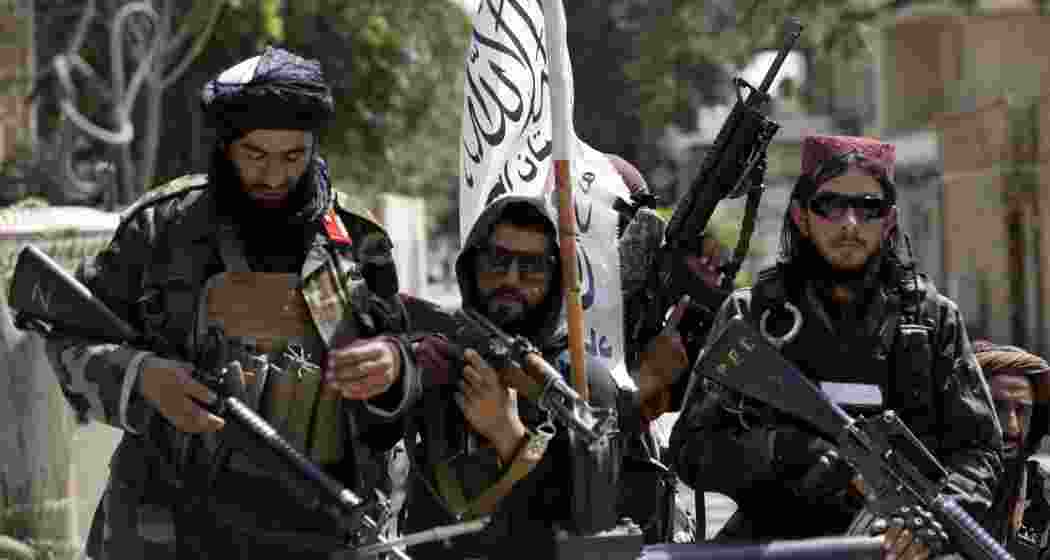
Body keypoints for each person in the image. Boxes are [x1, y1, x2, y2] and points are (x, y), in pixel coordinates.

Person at [42, 47, 420, 559]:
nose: (273, 177)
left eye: (293, 157)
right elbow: (70, 337)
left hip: (319, 531)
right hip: (172, 531)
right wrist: (144, 377)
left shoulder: (355, 241)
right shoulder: (162, 230)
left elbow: (400, 381)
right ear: (223, 147)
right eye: (255, 155)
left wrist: (392, 370)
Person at [669, 135, 1003, 558]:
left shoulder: (932, 322)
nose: (850, 223)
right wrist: (781, 452)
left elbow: (980, 450)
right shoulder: (755, 315)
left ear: (890, 221)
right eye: (830, 205)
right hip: (777, 546)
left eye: (868, 208)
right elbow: (690, 448)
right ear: (801, 215)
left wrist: (931, 522)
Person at [403, 194, 683, 558]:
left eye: (532, 268)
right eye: (497, 261)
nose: (511, 279)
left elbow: (594, 517)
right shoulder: (437, 360)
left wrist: (511, 436)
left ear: (555, 279)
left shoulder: (581, 382)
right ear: (472, 267)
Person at [973, 340, 1050, 559]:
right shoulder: (925, 489)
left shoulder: (1043, 496)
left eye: (1022, 411)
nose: (1012, 427)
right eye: (997, 407)